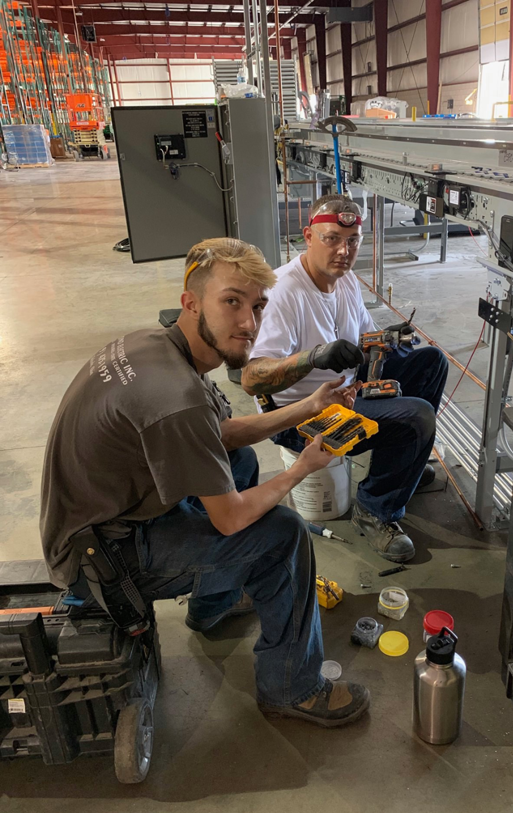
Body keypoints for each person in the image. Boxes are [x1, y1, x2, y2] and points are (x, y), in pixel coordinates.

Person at [40, 238, 370, 728]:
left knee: (237, 462)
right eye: (231, 301)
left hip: (100, 518)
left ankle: (212, 605)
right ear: (191, 302)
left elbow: (219, 434)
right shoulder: (176, 397)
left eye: (257, 305)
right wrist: (299, 469)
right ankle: (292, 687)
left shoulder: (156, 345)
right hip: (100, 561)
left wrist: (308, 407)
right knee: (283, 536)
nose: (249, 323)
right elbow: (231, 517)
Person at [241, 195, 449, 563]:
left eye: (352, 241)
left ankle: (400, 468)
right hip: (304, 415)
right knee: (418, 416)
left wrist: (388, 340)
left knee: (431, 362)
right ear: (309, 236)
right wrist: (313, 358)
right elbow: (252, 380)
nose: (343, 251)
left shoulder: (346, 280)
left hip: (347, 390)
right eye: (332, 239)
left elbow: (365, 342)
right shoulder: (284, 292)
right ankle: (375, 510)